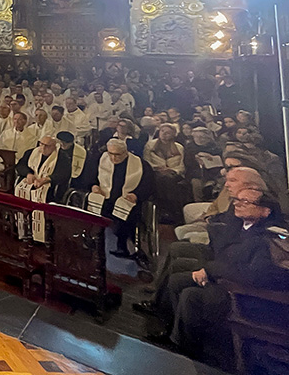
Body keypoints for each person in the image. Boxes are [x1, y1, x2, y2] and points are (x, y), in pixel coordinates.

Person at [135, 188, 288, 368]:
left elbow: (254, 276)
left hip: (243, 296)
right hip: (225, 278)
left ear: (265, 211)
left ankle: (188, 349)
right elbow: (223, 250)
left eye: (245, 202)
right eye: (237, 200)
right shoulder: (242, 224)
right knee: (177, 280)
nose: (237, 204)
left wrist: (211, 271)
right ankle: (173, 333)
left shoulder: (264, 238)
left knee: (191, 295)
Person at [87, 138, 155, 257]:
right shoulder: (100, 159)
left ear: (125, 152)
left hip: (127, 199)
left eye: (117, 155)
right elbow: (89, 176)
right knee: (93, 207)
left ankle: (122, 246)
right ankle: (94, 241)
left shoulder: (140, 164)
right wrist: (94, 186)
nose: (113, 158)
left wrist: (136, 195)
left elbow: (148, 184)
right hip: (104, 198)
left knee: (128, 215)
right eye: (110, 154)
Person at [144, 123, 187, 223]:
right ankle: (167, 208)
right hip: (155, 172)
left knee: (168, 179)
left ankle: (169, 209)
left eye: (167, 132)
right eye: (162, 131)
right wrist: (157, 167)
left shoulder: (179, 147)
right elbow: (146, 161)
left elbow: (182, 165)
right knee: (161, 179)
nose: (164, 134)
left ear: (173, 134)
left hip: (173, 173)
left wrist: (172, 170)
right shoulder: (150, 145)